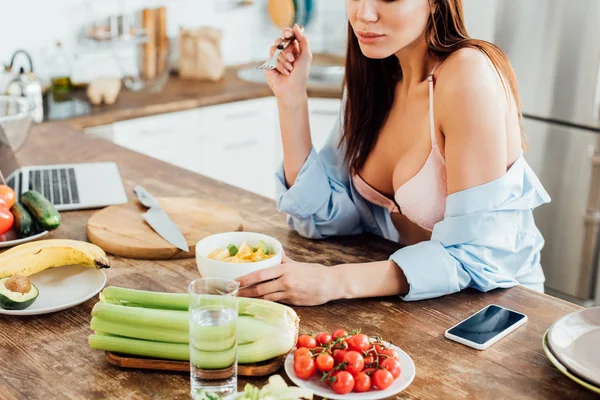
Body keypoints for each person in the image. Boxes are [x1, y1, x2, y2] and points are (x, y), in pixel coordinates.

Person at [236, 0, 550, 305]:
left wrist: (331, 281)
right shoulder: (377, 75)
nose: (364, 14)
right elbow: (325, 218)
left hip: (499, 308)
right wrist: (291, 98)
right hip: (420, 304)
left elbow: (474, 252)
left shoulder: (467, 75)